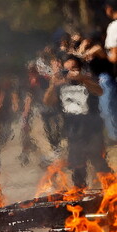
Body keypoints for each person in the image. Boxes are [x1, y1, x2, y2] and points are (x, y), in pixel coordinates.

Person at [43, 55, 112, 189]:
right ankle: (80, 195)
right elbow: (47, 102)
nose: (70, 72)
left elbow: (99, 91)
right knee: (77, 166)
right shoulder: (61, 85)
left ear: (80, 69)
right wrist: (53, 84)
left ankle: (111, 192)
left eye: (74, 68)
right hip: (73, 132)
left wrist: (83, 79)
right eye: (67, 69)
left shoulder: (88, 80)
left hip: (93, 130)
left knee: (99, 162)